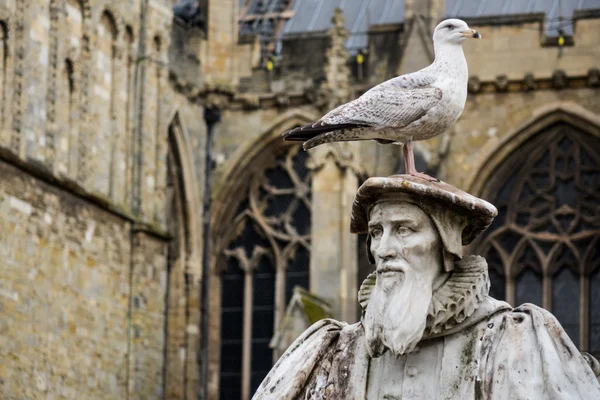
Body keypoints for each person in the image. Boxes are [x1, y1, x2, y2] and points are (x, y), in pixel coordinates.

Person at [253, 175, 600, 399]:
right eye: (376, 232)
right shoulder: (332, 353)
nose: (383, 249)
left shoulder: (515, 344)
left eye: (404, 229)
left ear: (445, 243)